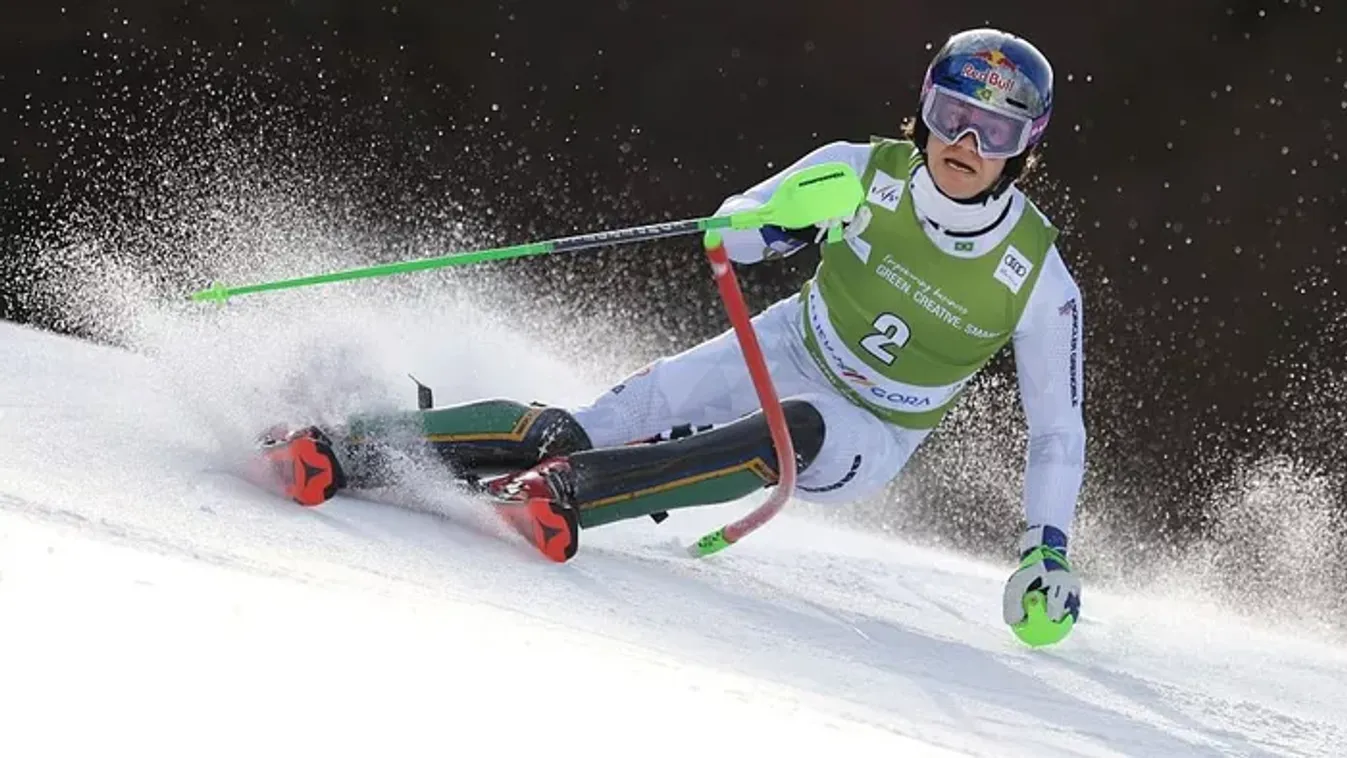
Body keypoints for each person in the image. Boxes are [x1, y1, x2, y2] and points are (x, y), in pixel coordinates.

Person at [253, 27, 1085, 646]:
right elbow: (729, 230)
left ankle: (569, 494)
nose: (965, 144)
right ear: (923, 112)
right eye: (951, 115)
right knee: (579, 427)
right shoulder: (859, 169)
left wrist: (1042, 550)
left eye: (994, 131)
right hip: (788, 344)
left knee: (792, 430)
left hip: (872, 427)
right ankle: (345, 447)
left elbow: (1056, 431)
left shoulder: (1039, 280)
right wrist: (780, 223)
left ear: (1024, 149)